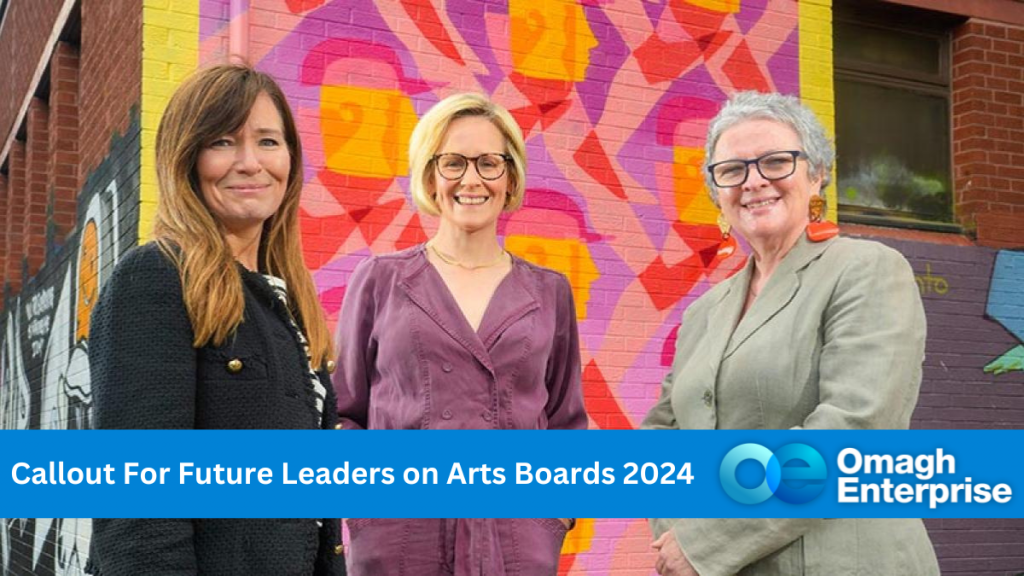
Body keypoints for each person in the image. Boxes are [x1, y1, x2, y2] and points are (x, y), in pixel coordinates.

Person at [642, 91, 939, 576]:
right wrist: (677, 532)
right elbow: (661, 436)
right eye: (732, 170)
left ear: (816, 173)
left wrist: (706, 542)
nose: (754, 181)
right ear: (718, 191)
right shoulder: (704, 311)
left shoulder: (867, 270)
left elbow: (854, 430)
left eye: (776, 162)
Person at [87, 64, 345, 575]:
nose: (250, 163)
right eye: (224, 142)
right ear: (187, 159)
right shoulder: (157, 279)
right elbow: (138, 503)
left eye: (268, 142)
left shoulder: (288, 300)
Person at [333, 92, 587, 575]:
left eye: (490, 163)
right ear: (430, 175)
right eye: (453, 162)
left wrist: (554, 513)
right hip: (403, 536)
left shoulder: (550, 291)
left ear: (510, 176)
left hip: (515, 537)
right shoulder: (381, 280)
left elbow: (566, 421)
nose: (471, 180)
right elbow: (343, 411)